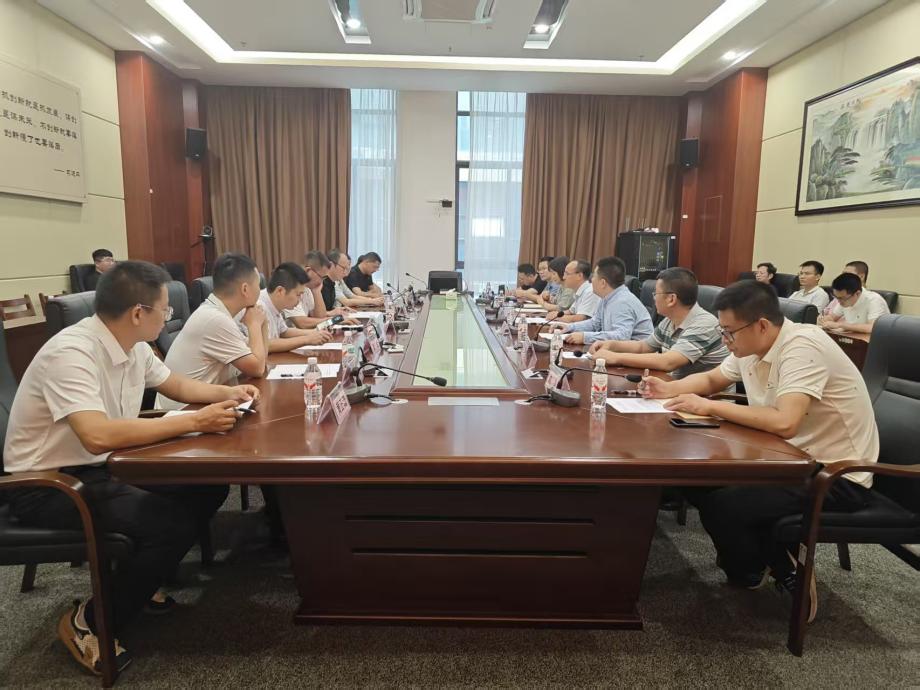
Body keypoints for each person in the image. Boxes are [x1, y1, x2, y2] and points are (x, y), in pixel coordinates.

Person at [3, 261, 260, 675]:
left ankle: (138, 581)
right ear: (139, 313)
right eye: (165, 310)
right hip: (49, 484)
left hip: (100, 466)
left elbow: (177, 385)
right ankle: (89, 621)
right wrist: (194, 421)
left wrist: (227, 393)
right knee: (169, 524)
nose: (169, 317)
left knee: (207, 487)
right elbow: (96, 435)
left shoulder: (133, 345)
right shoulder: (71, 353)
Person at [640, 280, 877, 619]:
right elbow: (712, 380)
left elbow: (785, 422)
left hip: (835, 473)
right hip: (782, 458)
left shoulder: (803, 347)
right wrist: (669, 389)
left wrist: (711, 406)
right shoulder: (751, 346)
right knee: (693, 480)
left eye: (729, 332)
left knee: (726, 505)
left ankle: (783, 567)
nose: (725, 340)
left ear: (762, 325)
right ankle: (751, 564)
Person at [156, 253, 268, 410]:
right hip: (184, 409)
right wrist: (255, 324)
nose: (260, 290)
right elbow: (257, 368)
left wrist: (263, 323)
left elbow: (261, 360)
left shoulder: (223, 313)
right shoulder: (215, 319)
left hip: (206, 401)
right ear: (245, 289)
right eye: (258, 285)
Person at [588, 267, 729, 378]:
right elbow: (644, 347)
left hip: (704, 399)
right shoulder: (669, 320)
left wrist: (616, 357)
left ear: (671, 299)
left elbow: (668, 362)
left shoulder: (704, 324)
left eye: (656, 294)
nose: (654, 299)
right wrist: (612, 345)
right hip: (675, 389)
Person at [562, 256, 653, 345]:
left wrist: (585, 337)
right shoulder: (607, 297)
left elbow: (622, 337)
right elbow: (595, 323)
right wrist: (569, 327)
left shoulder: (622, 301)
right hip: (617, 350)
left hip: (636, 352)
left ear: (603, 283)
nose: (591, 280)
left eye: (594, 276)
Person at [258, 263, 334, 352]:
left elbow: (284, 332)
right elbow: (266, 345)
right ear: (280, 291)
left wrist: (315, 332)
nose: (300, 299)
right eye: (298, 294)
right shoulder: (259, 306)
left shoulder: (275, 303)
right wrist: (307, 339)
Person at [818, 272, 889, 334]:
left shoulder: (874, 300)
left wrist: (840, 325)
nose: (839, 302)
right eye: (836, 297)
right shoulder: (844, 299)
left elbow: (872, 328)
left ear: (857, 293)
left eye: (841, 298)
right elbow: (832, 317)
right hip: (853, 338)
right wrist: (825, 320)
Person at [551, 260, 600, 324]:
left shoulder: (590, 292)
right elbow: (571, 311)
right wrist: (555, 314)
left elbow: (581, 318)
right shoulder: (579, 291)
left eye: (567, 274)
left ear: (579, 276)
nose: (563, 277)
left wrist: (557, 317)